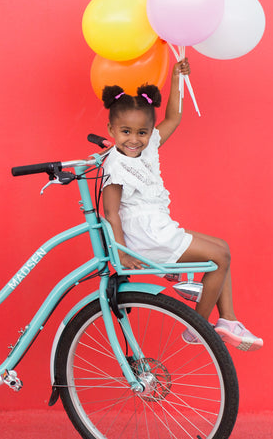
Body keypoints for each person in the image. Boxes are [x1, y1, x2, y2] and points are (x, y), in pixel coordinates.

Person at [99, 59, 263, 351]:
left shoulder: (147, 149)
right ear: (111, 129)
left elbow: (173, 117)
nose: (134, 140)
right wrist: (121, 254)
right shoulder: (116, 165)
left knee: (222, 249)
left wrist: (177, 78)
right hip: (143, 237)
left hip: (158, 227)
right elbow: (111, 212)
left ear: (149, 132)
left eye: (142, 132)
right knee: (220, 257)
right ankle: (198, 328)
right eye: (125, 132)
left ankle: (227, 320)